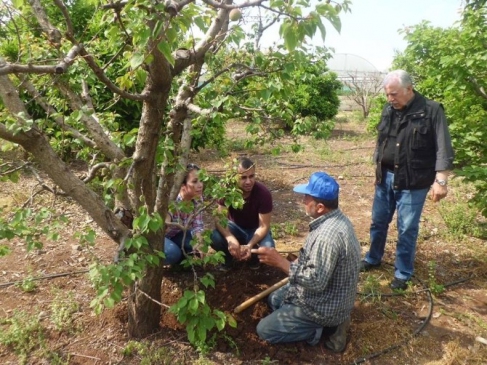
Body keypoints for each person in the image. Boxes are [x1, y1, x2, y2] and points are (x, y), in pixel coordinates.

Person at [361, 70, 454, 290]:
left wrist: (441, 180)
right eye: (387, 94)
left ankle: (403, 273)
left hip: (413, 181)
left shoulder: (431, 110)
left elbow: (444, 147)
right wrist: (377, 167)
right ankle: (373, 258)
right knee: (378, 222)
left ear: (409, 89)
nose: (389, 99)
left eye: (393, 94)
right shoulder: (388, 109)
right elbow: (382, 140)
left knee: (406, 229)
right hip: (385, 178)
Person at [252, 172, 361, 352]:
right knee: (274, 299)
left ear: (319, 207)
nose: (303, 201)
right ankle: (335, 320)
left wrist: (280, 261)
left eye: (306, 198)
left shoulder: (327, 237)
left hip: (324, 307)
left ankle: (322, 329)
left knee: (264, 330)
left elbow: (316, 282)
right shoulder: (336, 219)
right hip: (331, 295)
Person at [210, 157, 275, 271]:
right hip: (234, 226)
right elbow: (219, 219)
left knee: (268, 248)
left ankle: (254, 260)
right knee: (214, 237)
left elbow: (264, 226)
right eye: (243, 177)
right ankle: (228, 259)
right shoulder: (226, 190)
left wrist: (250, 245)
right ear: (234, 178)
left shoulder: (263, 193)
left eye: (251, 176)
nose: (248, 181)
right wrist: (230, 238)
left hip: (255, 230)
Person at [164, 163, 205, 265]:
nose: (200, 185)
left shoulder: (197, 199)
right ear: (182, 186)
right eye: (194, 182)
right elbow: (166, 220)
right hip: (161, 238)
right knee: (173, 254)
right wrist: (167, 221)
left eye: (201, 180)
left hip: (176, 235)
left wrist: (199, 243)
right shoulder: (172, 200)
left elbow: (197, 225)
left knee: (200, 242)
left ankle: (181, 261)